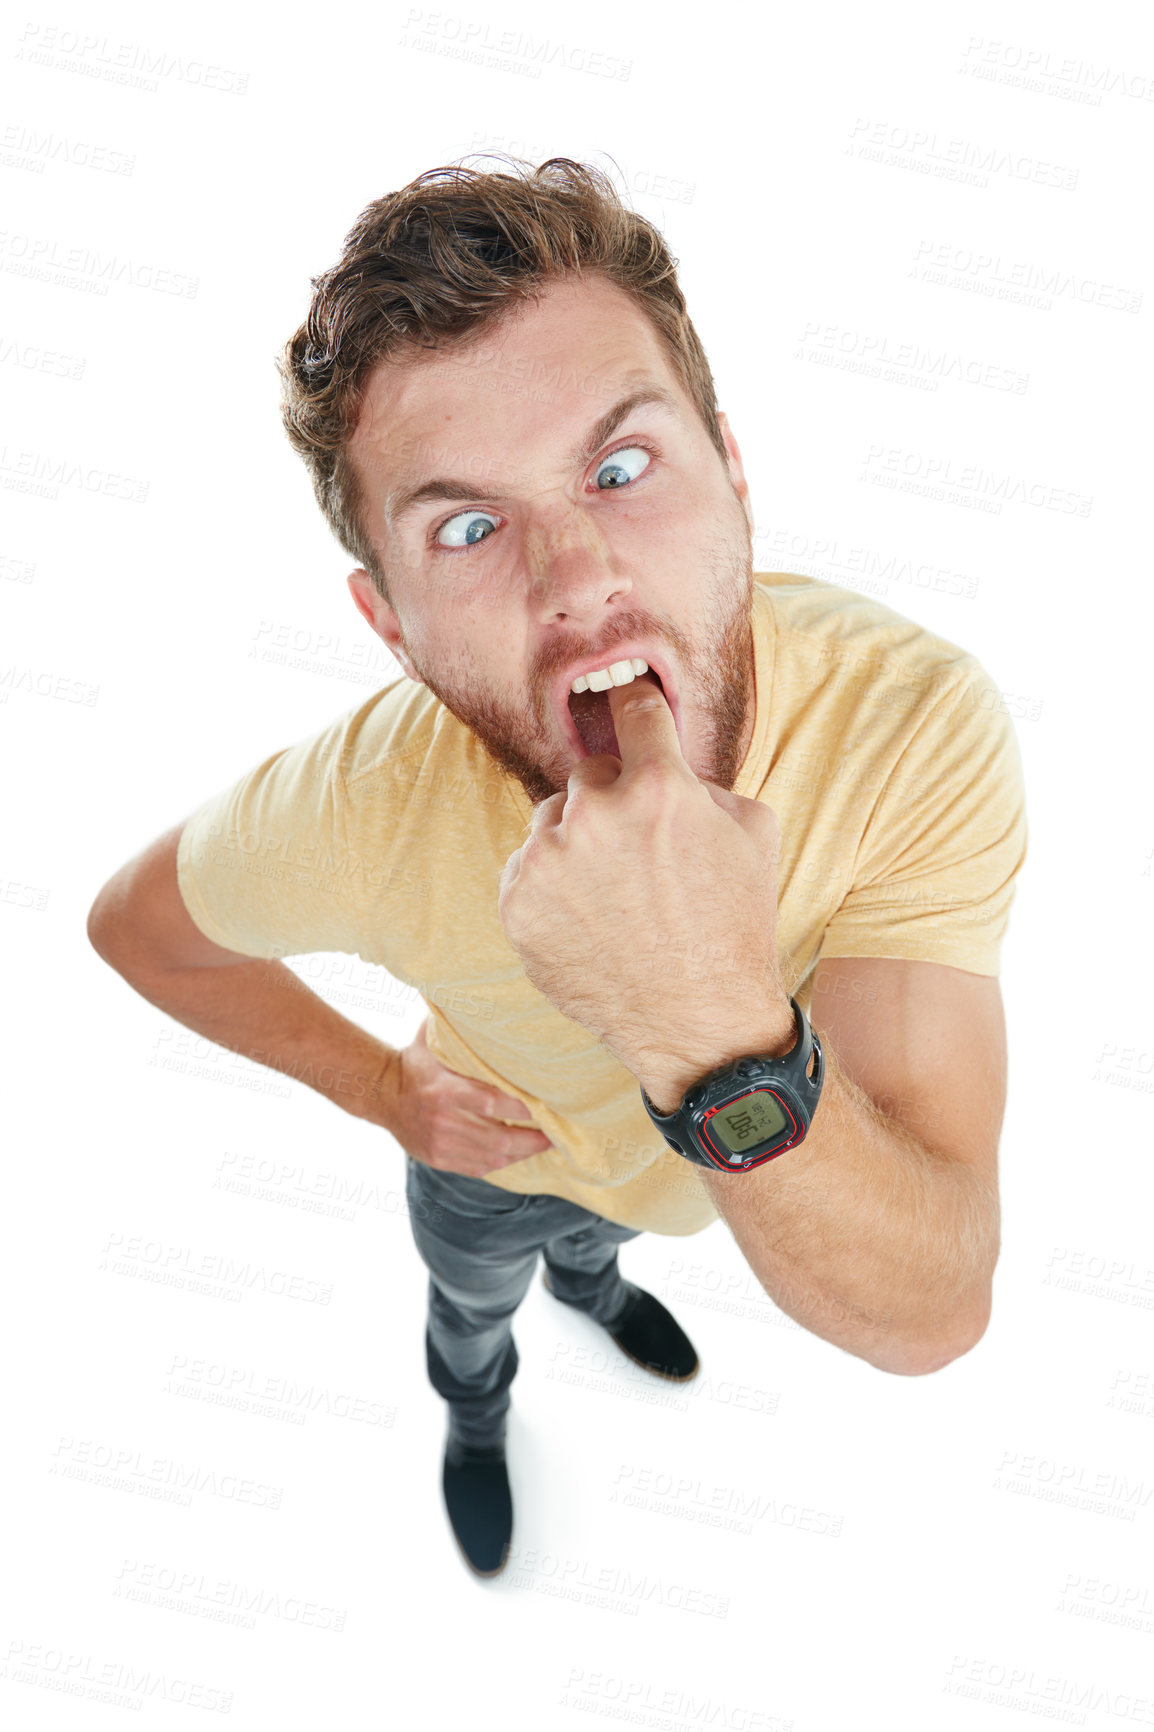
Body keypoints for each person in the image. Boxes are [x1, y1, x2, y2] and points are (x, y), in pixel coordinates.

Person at [87, 156, 1028, 1581]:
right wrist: (385, 1091)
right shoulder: (354, 806)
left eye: (619, 466)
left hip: (698, 1182)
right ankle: (474, 1408)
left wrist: (701, 1024)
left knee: (603, 1254)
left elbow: (929, 1308)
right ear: (389, 623)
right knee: (473, 1307)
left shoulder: (914, 724)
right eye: (467, 527)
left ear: (734, 473)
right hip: (492, 1165)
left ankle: (593, 1294)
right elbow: (136, 930)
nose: (577, 575)